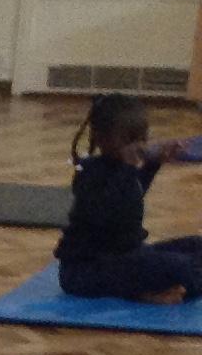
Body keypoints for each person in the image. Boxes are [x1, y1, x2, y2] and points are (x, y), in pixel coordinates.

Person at [56, 94, 202, 304]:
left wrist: (153, 164)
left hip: (127, 256)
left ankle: (161, 287)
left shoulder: (123, 169)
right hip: (86, 271)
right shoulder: (88, 172)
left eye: (142, 139)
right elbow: (107, 211)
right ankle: (149, 291)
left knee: (197, 246)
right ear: (102, 139)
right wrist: (128, 167)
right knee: (181, 267)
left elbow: (132, 196)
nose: (138, 146)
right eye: (129, 140)